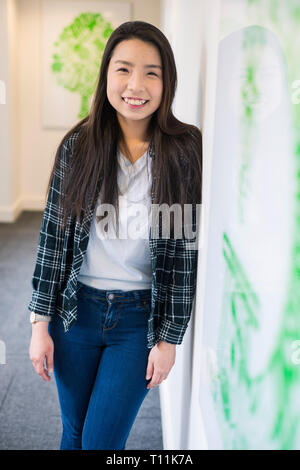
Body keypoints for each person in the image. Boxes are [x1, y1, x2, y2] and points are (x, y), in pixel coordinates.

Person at [28, 20, 202, 450]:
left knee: (101, 440)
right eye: (123, 69)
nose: (135, 85)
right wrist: (39, 324)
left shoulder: (183, 151)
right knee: (73, 432)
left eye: (151, 73)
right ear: (107, 75)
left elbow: (183, 253)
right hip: (76, 313)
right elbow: (53, 238)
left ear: (167, 83)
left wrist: (169, 338)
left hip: (138, 320)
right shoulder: (78, 146)